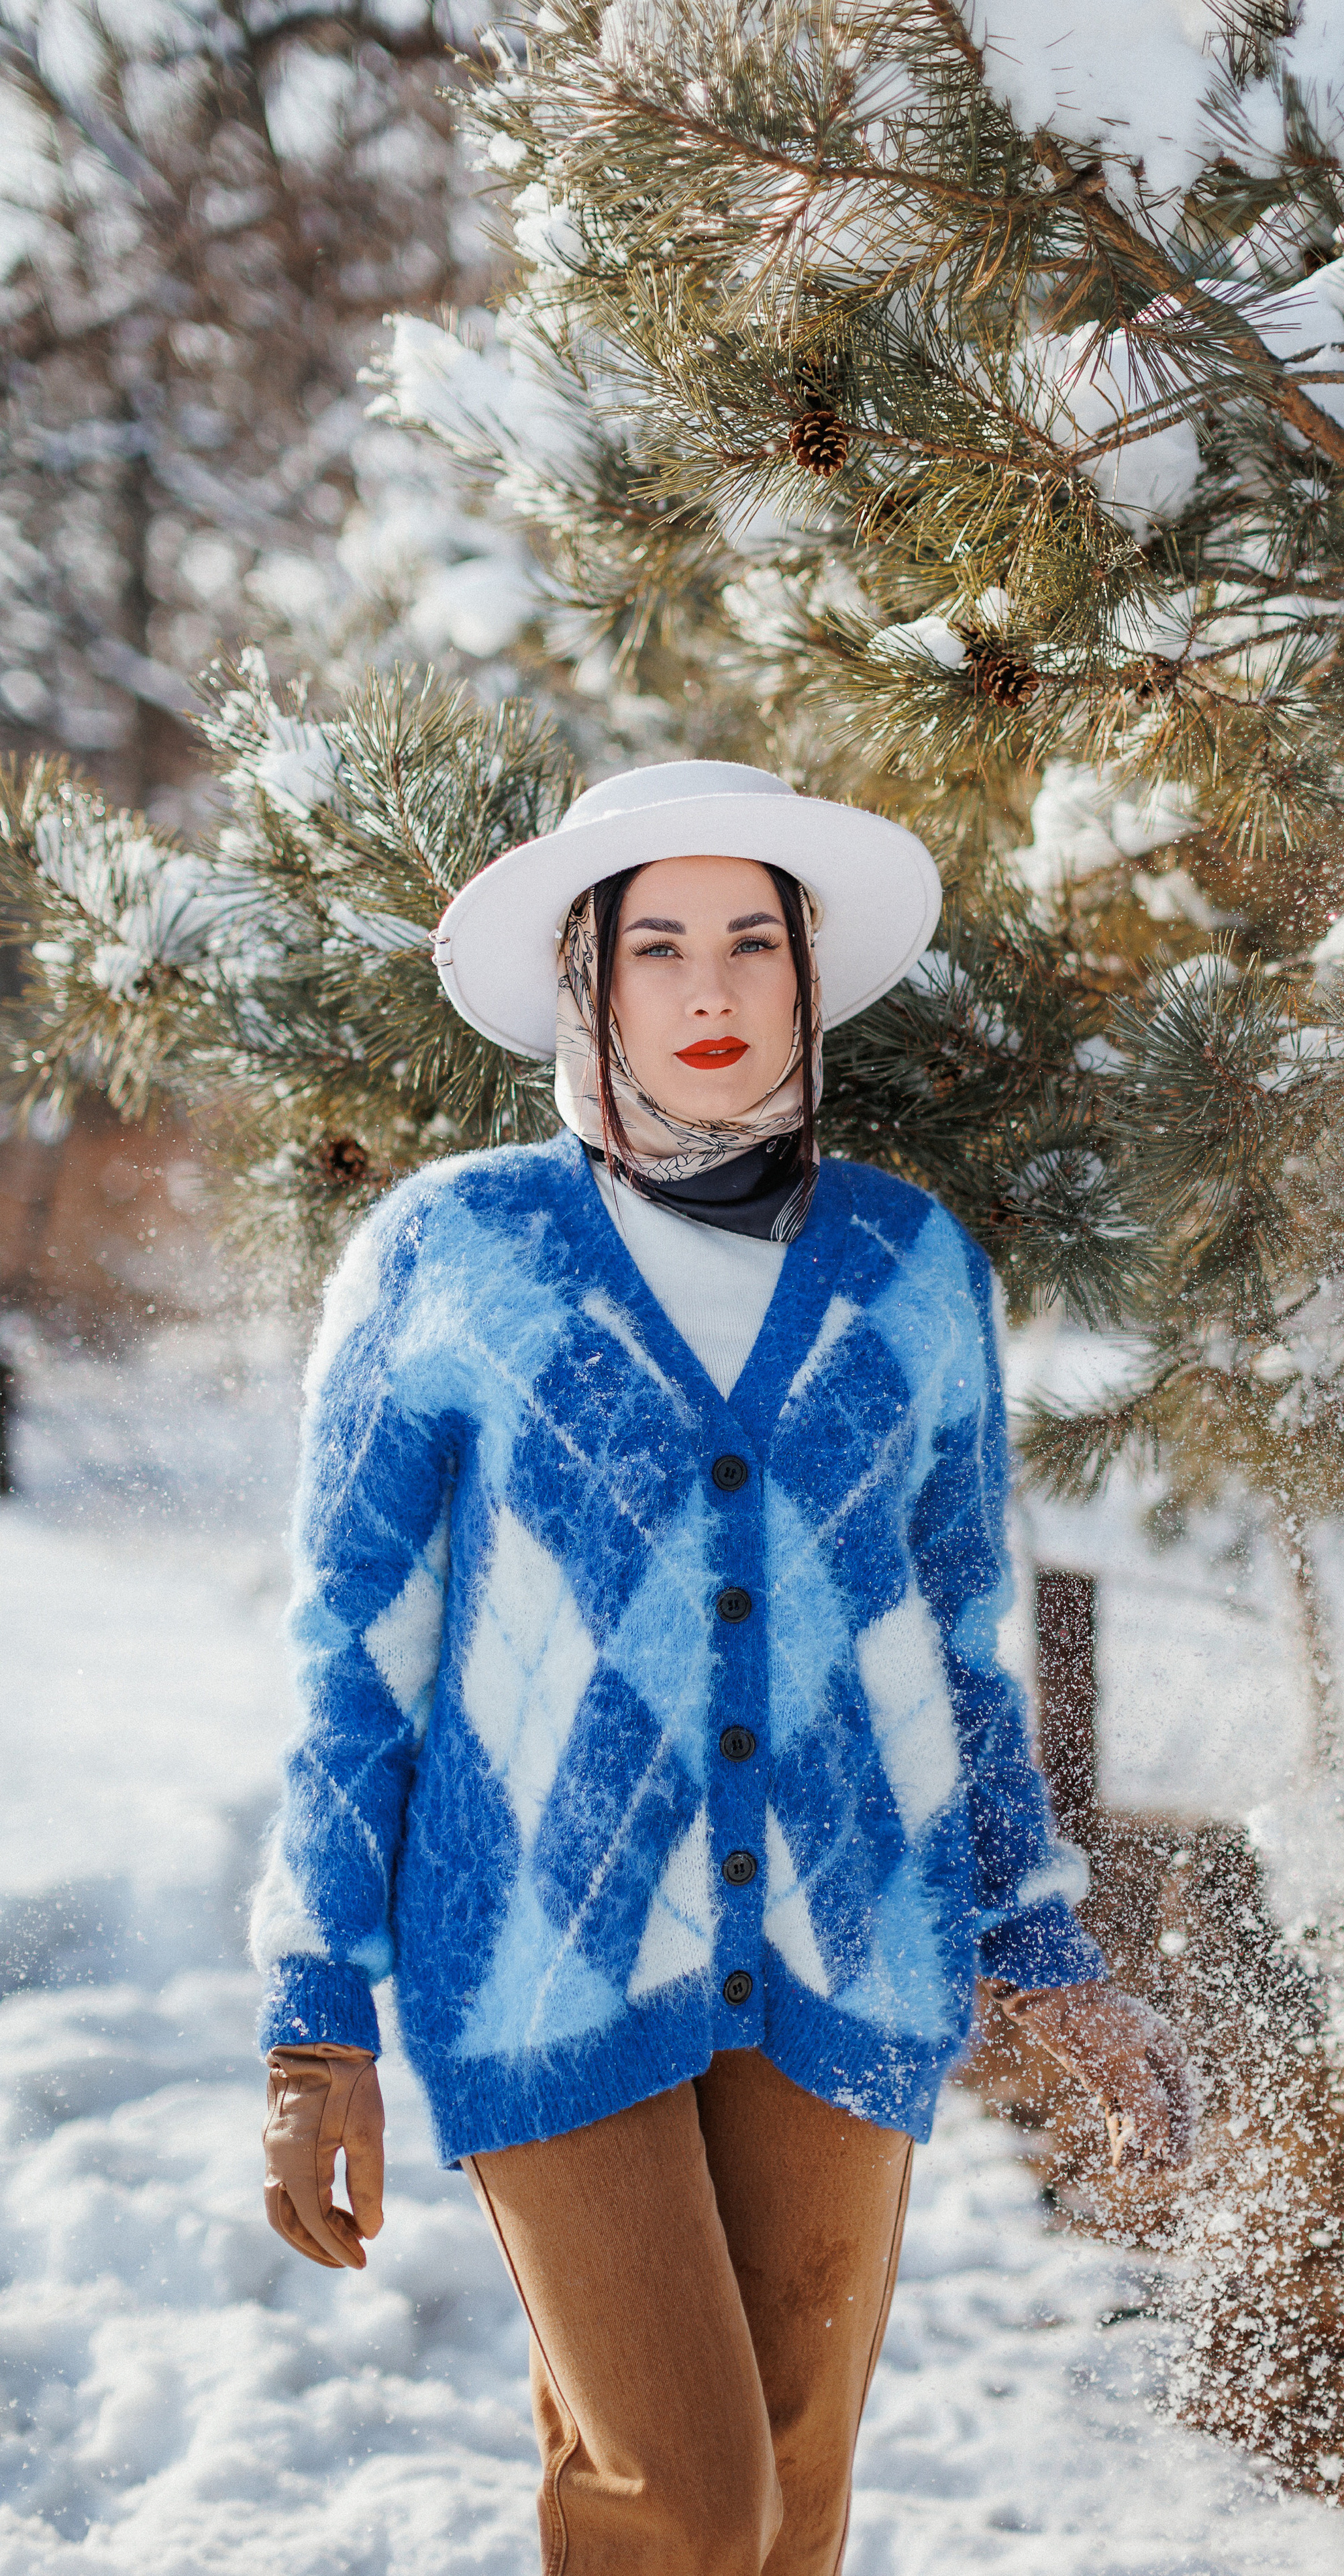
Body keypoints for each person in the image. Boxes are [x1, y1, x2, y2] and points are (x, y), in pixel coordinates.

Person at [252, 761, 1195, 2576]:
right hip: (539, 1953)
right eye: (658, 945)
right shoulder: (456, 1258)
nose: (706, 992)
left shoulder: (916, 1271)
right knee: (690, 2506)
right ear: (585, 985)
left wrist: (1045, 1951)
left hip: (856, 1948)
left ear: (807, 978)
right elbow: (358, 1656)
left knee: (785, 2520)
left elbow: (956, 1653)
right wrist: (314, 2017)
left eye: (751, 944)